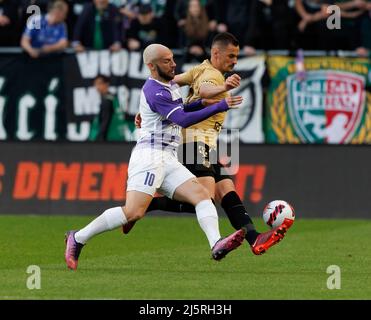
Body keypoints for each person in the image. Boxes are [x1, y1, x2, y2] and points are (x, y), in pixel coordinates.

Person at [64, 43, 246, 270]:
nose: (173, 64)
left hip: (167, 157)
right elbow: (182, 119)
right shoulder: (154, 90)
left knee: (202, 196)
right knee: (133, 212)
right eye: (166, 61)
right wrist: (221, 105)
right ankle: (78, 238)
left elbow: (180, 109)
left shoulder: (169, 85)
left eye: (172, 59)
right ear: (151, 66)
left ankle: (216, 243)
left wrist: (202, 102)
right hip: (149, 156)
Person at [125, 32, 293, 256]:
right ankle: (152, 204)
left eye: (236, 56)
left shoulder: (200, 68)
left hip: (208, 144)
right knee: (205, 198)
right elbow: (205, 90)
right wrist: (223, 89)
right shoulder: (212, 75)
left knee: (226, 190)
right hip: (192, 142)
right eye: (231, 56)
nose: (235, 61)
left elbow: (168, 82)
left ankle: (254, 238)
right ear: (216, 53)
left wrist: (145, 109)